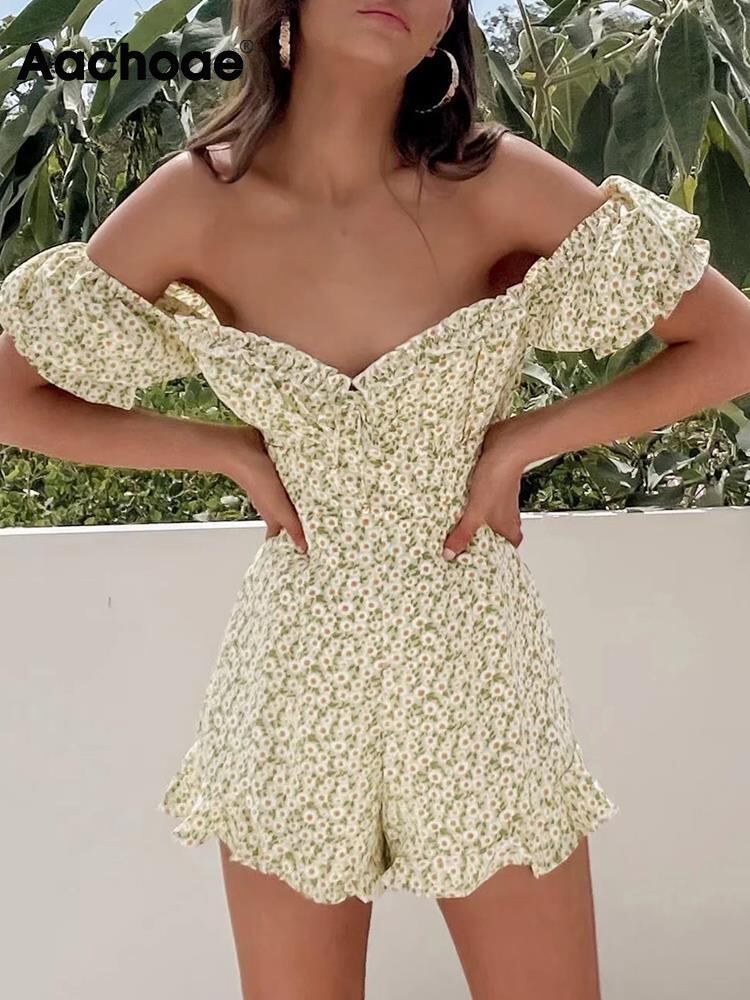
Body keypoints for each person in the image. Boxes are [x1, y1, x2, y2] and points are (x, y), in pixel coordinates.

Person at [1, 2, 749, 998]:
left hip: (474, 670)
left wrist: (521, 442)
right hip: (295, 676)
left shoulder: (498, 183)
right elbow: (13, 395)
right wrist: (226, 452)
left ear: (445, 25)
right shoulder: (195, 203)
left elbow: (730, 342)